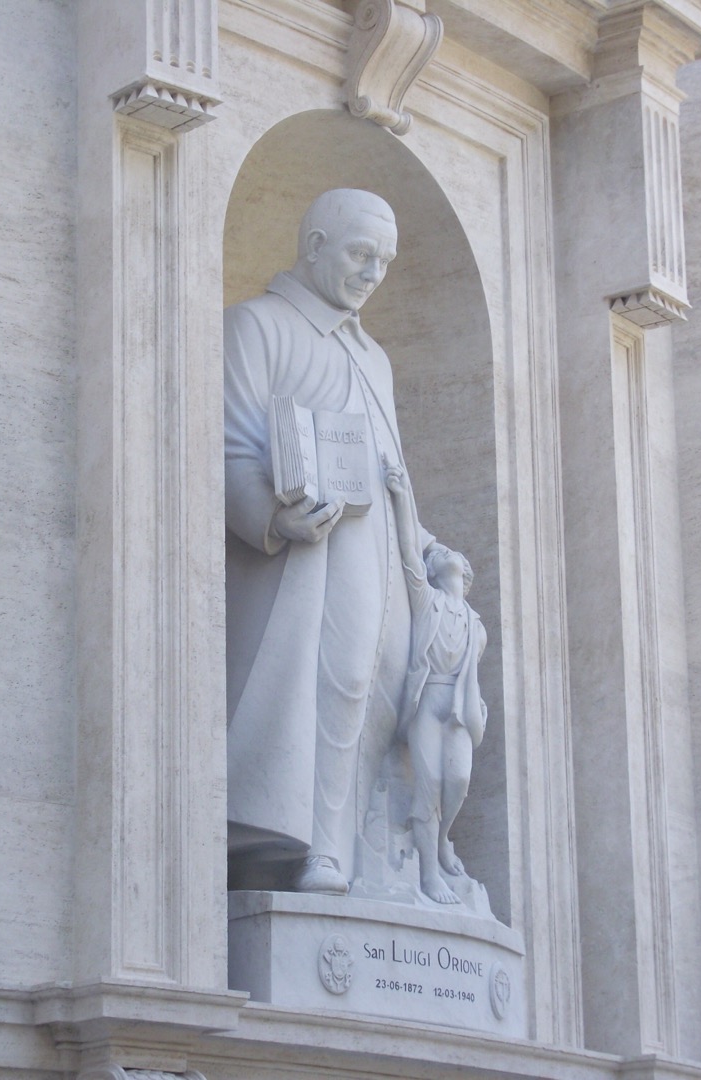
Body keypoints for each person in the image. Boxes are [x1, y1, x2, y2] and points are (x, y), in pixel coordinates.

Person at [224, 189, 440, 895]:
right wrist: (271, 517)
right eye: (359, 253)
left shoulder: (374, 356)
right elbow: (222, 448)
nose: (373, 272)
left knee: (376, 685)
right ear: (314, 246)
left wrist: (426, 549)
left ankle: (349, 847)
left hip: (380, 557)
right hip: (305, 559)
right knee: (330, 682)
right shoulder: (257, 326)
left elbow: (390, 468)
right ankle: (310, 846)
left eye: (385, 260)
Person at [383, 459, 486, 905]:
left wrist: (480, 707)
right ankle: (428, 875)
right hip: (428, 701)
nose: (436, 554)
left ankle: (443, 839)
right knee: (427, 784)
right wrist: (404, 498)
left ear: (463, 571)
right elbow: (409, 552)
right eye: (435, 555)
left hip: (460, 711)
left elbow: (475, 673)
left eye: (445, 553)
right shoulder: (427, 602)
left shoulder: (477, 626)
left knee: (458, 781)